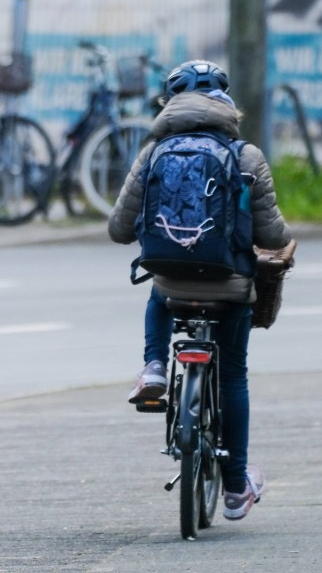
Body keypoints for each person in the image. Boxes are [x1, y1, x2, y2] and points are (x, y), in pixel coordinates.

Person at [108, 59, 293, 520]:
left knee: (157, 288)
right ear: (225, 105)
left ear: (169, 105)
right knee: (232, 375)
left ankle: (153, 367)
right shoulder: (246, 156)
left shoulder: (153, 153)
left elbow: (118, 229)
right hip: (230, 289)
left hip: (171, 282)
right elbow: (271, 235)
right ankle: (234, 490)